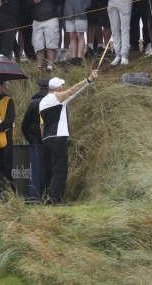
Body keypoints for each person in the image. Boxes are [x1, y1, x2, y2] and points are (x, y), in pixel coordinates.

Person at [39, 70, 98, 205]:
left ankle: (47, 198)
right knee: (60, 169)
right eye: (62, 86)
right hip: (58, 138)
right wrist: (88, 79)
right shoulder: (58, 98)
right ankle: (55, 199)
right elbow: (74, 90)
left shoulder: (42, 102)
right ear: (59, 88)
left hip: (46, 139)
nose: (63, 88)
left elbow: (41, 124)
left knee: (49, 170)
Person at [26, 0, 61, 71]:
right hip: (37, 20)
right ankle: (39, 67)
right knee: (38, 46)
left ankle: (50, 66)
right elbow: (26, 2)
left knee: (51, 44)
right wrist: (33, 1)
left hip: (51, 19)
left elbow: (59, 0)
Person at [60, 0, 92, 65]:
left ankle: (79, 58)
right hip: (68, 12)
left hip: (80, 12)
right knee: (72, 36)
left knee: (80, 35)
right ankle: (73, 59)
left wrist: (84, 7)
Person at [21, 77, 50, 145]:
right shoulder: (54, 102)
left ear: (39, 89)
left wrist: (30, 139)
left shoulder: (33, 103)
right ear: (49, 89)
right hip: (51, 139)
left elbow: (24, 125)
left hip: (35, 139)